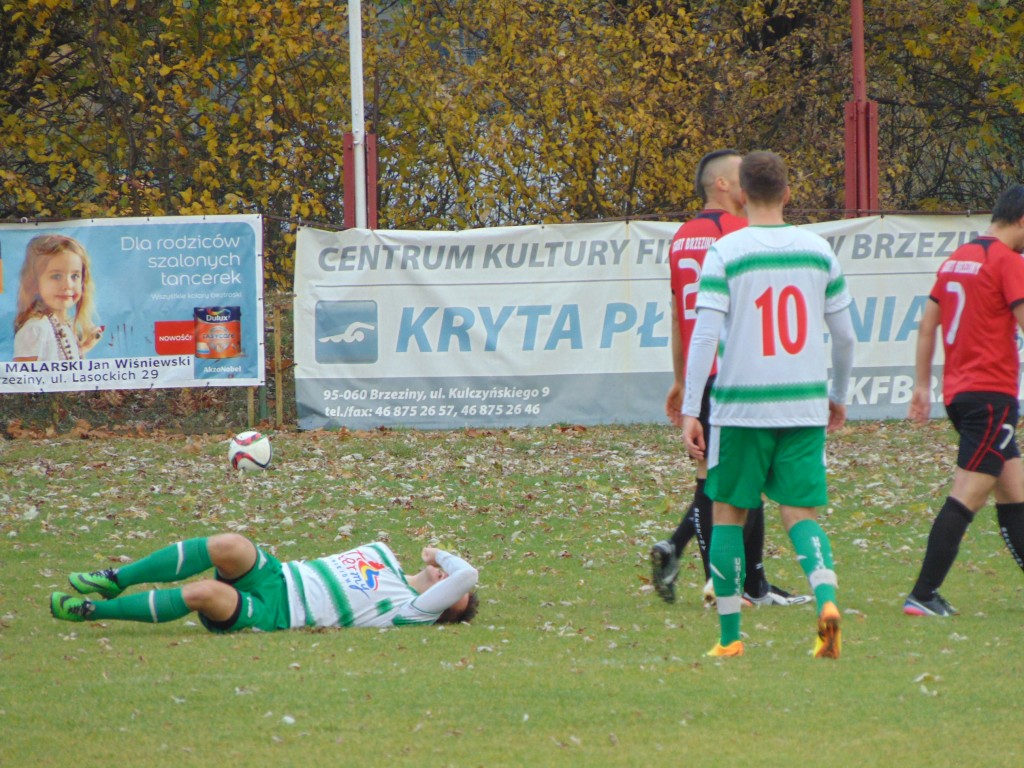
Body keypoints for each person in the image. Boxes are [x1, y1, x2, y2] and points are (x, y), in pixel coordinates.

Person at [681, 151, 855, 659]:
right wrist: (837, 396)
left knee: (730, 513)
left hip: (741, 409)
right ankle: (825, 602)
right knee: (801, 513)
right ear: (788, 193)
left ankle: (731, 638)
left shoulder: (727, 251)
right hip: (802, 405)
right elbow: (844, 337)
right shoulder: (818, 249)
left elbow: (703, 335)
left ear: (741, 194)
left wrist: (693, 408)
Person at [652, 148, 810, 609]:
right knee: (737, 479)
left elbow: (683, 319)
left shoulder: (681, 238)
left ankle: (732, 580)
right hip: (739, 372)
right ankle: (739, 586)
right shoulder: (738, 233)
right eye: (742, 175)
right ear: (723, 185)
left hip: (704, 374)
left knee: (717, 479)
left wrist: (683, 381)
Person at [905, 184, 1024, 618]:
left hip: (961, 394)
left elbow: (927, 325)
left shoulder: (958, 259)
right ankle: (923, 593)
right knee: (966, 496)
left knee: (1014, 493)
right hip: (992, 397)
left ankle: (924, 593)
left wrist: (922, 385)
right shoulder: (1008, 262)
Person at [49, 533, 479, 631]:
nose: (451, 582)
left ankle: (92, 611)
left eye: (452, 596)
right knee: (230, 544)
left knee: (204, 594)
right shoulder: (381, 551)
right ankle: (114, 579)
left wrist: (435, 553)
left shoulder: (409, 612)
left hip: (278, 612)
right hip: (278, 574)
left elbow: (467, 575)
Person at [14, 234, 102, 362]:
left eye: (75, 276)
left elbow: (59, 364)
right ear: (34, 282)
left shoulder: (63, 325)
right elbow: (22, 379)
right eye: (56, 276)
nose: (67, 285)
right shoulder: (35, 329)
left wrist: (82, 349)